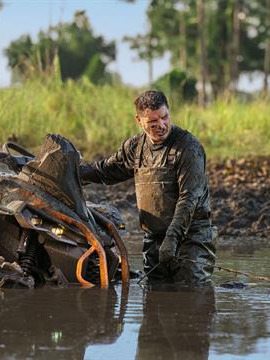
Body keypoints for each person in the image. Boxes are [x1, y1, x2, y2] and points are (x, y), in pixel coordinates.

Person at [80, 90, 216, 285]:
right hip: (154, 238)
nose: (160, 125)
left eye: (164, 117)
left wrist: (172, 238)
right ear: (139, 120)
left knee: (190, 293)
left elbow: (189, 198)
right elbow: (105, 171)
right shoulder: (135, 147)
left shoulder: (188, 147)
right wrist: (72, 172)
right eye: (152, 122)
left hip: (192, 237)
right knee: (154, 297)